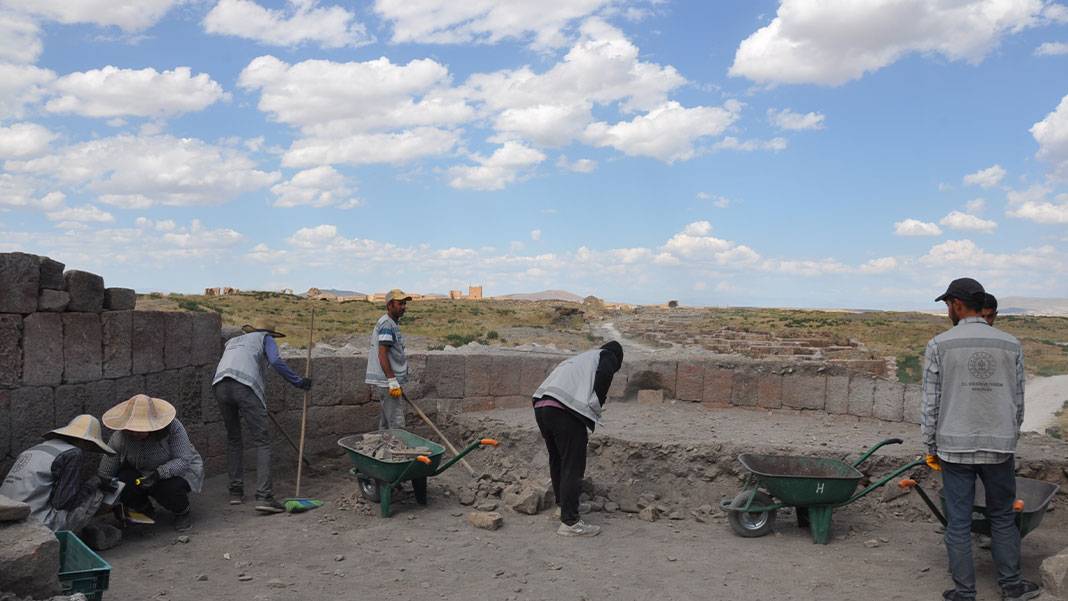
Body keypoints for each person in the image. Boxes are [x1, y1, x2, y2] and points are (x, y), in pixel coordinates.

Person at [922, 278, 1040, 601]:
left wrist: (930, 445)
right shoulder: (1010, 344)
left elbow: (931, 402)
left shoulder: (939, 345)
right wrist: (1009, 437)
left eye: (948, 305)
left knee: (958, 522)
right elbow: (1018, 402)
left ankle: (964, 592)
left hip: (954, 448)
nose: (947, 310)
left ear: (958, 305)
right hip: (999, 448)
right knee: (1003, 517)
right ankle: (1012, 586)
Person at [213, 318, 312, 513]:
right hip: (245, 386)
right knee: (263, 441)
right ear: (269, 333)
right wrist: (298, 382)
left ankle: (235, 492)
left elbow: (237, 365)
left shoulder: (234, 341)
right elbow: (275, 361)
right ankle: (264, 497)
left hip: (220, 385)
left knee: (234, 438)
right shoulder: (265, 338)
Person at [531, 341, 623, 537]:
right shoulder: (607, 355)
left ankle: (563, 507)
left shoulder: (579, 359)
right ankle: (571, 522)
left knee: (558, 460)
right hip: (564, 411)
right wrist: (595, 406)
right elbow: (605, 375)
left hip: (541, 406)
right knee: (573, 465)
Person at [98, 394, 203, 532]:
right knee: (125, 481)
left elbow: (183, 460)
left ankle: (182, 511)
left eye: (139, 429)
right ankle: (144, 510)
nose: (135, 433)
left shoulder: (173, 428)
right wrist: (111, 500)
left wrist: (158, 475)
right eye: (132, 429)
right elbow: (106, 471)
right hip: (141, 475)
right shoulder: (120, 437)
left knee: (170, 489)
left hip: (174, 473)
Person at [0, 415, 115, 532]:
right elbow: (63, 503)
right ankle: (68, 536)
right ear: (84, 441)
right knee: (97, 494)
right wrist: (94, 482)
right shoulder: (73, 453)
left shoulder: (34, 449)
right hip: (35, 524)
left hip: (6, 517)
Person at [365, 289, 412, 430]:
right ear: (389, 305)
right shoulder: (387, 325)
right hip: (388, 382)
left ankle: (384, 448)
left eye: (404, 303)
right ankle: (397, 451)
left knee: (386, 422)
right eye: (400, 304)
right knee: (397, 423)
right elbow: (382, 354)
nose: (403, 307)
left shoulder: (392, 323)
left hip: (390, 381)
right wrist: (391, 380)